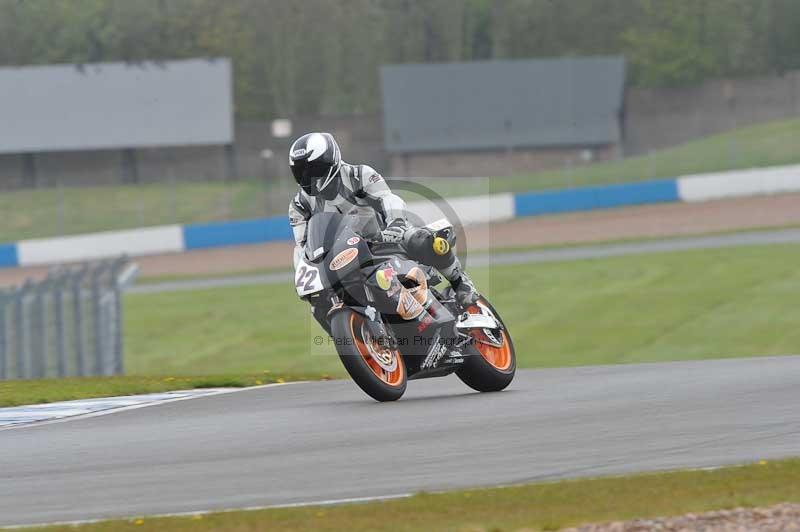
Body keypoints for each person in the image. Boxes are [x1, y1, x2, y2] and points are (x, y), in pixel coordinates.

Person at [288, 132, 478, 327]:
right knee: (318, 305)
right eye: (301, 171)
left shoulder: (359, 175)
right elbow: (304, 246)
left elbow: (388, 198)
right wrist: (307, 274)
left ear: (331, 162)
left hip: (384, 237)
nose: (308, 177)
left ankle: (460, 282)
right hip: (342, 258)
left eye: (314, 169)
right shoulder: (299, 205)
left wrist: (395, 223)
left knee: (421, 239)